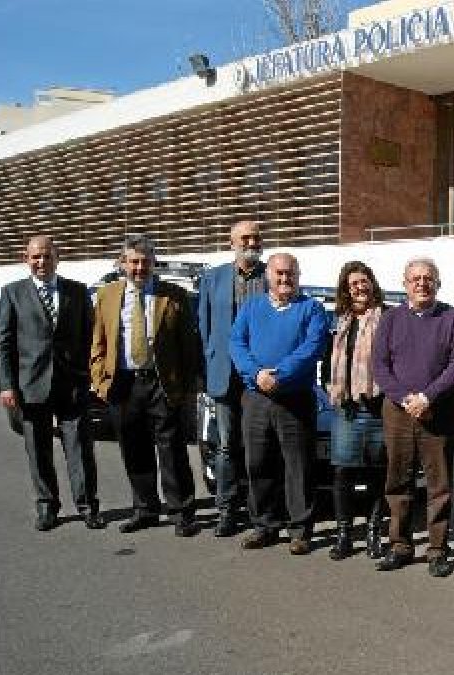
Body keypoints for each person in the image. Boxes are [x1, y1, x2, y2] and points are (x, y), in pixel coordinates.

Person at [90, 234, 202, 536]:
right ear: (122, 264)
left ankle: (181, 512)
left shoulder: (173, 295)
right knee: (134, 447)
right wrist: (100, 379)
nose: (139, 268)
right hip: (124, 384)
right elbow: (98, 341)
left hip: (163, 383)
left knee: (172, 448)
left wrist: (188, 386)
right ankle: (145, 509)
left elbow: (188, 346)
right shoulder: (107, 295)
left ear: (154, 263)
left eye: (145, 262)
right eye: (133, 262)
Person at [0, 235, 103, 531]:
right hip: (31, 385)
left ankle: (87, 506)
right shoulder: (12, 294)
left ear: (57, 257)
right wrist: (6, 385)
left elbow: (91, 337)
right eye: (35, 257)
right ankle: (47, 506)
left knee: (80, 447)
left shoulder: (77, 292)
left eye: (47, 256)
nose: (41, 262)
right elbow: (2, 344)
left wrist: (91, 376)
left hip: (72, 384)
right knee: (38, 449)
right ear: (26, 259)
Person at [372, 257, 454, 577]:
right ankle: (399, 545)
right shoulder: (390, 319)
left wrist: (427, 397)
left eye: (429, 278)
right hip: (398, 411)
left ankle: (437, 549)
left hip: (437, 410)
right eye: (415, 279)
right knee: (397, 480)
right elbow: (380, 366)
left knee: (438, 483)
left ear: (438, 284)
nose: (422, 283)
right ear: (405, 284)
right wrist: (405, 398)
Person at [230, 252, 329, 555]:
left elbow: (312, 347)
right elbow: (237, 343)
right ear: (268, 276)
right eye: (279, 273)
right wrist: (256, 373)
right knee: (258, 462)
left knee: (297, 465)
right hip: (256, 397)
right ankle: (264, 525)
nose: (285, 279)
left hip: (295, 398)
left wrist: (280, 375)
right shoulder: (252, 306)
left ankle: (299, 529)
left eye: (291, 274)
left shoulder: (311, 309)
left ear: (299, 276)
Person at [197, 220, 267, 537]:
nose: (251, 242)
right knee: (226, 446)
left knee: (259, 446)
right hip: (224, 376)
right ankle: (226, 510)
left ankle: (260, 511)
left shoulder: (272, 276)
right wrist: (206, 372)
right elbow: (204, 328)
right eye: (245, 238)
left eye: (255, 237)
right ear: (232, 242)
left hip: (260, 377)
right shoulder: (213, 279)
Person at [321, 261, 388, 561]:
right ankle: (344, 534)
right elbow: (326, 360)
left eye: (364, 281)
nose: (360, 287)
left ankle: (374, 533)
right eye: (353, 284)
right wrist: (331, 387)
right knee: (343, 472)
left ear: (372, 283)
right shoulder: (340, 321)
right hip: (347, 408)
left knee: (378, 473)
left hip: (378, 408)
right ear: (346, 291)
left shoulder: (388, 319)